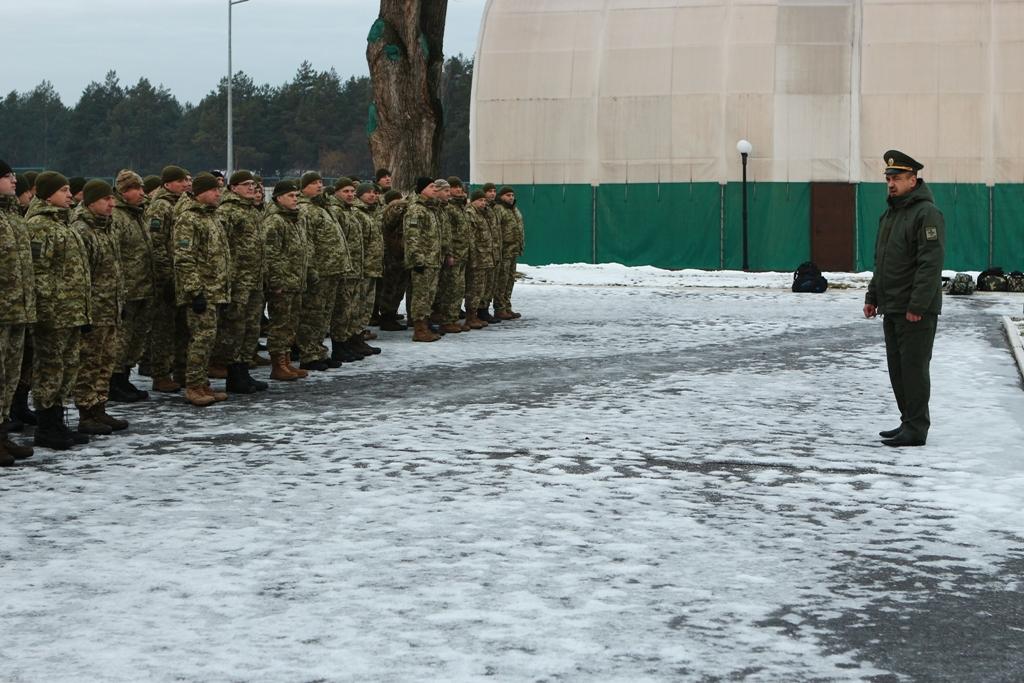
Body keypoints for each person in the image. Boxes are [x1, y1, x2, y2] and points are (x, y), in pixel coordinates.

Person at [863, 150, 945, 448]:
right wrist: (873, 295)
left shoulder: (926, 214)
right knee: (898, 370)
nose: (891, 184)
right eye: (888, 178)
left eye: (897, 178)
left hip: (915, 309)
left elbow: (930, 264)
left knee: (914, 369)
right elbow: (882, 262)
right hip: (892, 305)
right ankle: (907, 421)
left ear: (913, 180)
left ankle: (916, 428)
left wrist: (918, 305)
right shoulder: (890, 215)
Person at [25, 171, 91, 450]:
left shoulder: (62, 223)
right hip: (54, 313)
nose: (69, 194)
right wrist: (46, 313)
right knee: (50, 368)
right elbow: (39, 273)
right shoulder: (39, 226)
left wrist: (84, 311)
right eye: (63, 190)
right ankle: (46, 426)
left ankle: (58, 421)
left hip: (71, 311)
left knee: (67, 366)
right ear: (48, 194)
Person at [71, 180, 129, 435]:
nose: (112, 204)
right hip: (93, 309)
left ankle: (99, 406)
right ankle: (86, 412)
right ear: (91, 201)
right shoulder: (82, 230)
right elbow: (80, 276)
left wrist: (120, 301)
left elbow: (115, 269)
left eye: (112, 199)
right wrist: (83, 310)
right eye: (106, 199)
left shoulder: (107, 227)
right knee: (89, 362)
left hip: (110, 307)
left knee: (106, 360)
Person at [173, 173, 231, 407]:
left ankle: (202, 382)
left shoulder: (211, 216)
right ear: (200, 193)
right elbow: (184, 258)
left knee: (208, 340)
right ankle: (193, 386)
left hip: (215, 290)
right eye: (214, 190)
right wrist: (195, 291)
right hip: (201, 291)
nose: (218, 193)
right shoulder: (189, 219)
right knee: (201, 339)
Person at [211, 170, 268, 393]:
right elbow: (219, 246)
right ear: (233, 188)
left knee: (251, 328)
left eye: (253, 184)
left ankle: (244, 370)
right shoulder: (227, 211)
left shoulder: (251, 210)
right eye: (246, 184)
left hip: (254, 279)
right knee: (235, 328)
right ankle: (234, 373)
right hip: (237, 281)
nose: (251, 188)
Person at [295, 171, 352, 371]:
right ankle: (309, 354)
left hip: (333, 269)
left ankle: (318, 351)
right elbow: (307, 241)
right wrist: (311, 268)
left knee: (325, 314)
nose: (319, 185)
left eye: (320, 182)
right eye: (313, 183)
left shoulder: (322, 207)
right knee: (312, 314)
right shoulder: (305, 209)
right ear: (303, 187)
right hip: (320, 270)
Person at [0, 161, 36, 465]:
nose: (14, 180)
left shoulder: (13, 217)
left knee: (9, 377)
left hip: (16, 310)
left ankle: (2, 434)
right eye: (7, 176)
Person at [145, 165, 191, 393]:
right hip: (167, 278)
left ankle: (182, 370)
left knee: (184, 327)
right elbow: (156, 244)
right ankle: (161, 373)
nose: (186, 184)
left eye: (186, 180)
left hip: (182, 276)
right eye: (180, 181)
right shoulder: (161, 206)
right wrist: (166, 276)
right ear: (167, 184)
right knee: (164, 328)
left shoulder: (183, 203)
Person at [109, 170, 154, 402]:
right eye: (137, 189)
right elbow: (113, 255)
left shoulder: (137, 214)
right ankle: (114, 381)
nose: (142, 193)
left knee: (135, 339)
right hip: (127, 289)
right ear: (124, 191)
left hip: (143, 287)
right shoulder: (117, 216)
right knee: (121, 339)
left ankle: (125, 377)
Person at [263, 180, 311, 381]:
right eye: (290, 196)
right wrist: (275, 282)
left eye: (296, 196)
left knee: (291, 324)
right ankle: (278, 364)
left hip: (296, 280)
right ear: (278, 198)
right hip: (282, 283)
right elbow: (270, 255)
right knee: (280, 325)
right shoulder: (274, 221)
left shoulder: (295, 219)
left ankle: (287, 361)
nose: (295, 199)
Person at [404, 177, 444, 342]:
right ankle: (419, 329)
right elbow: (412, 236)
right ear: (422, 189)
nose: (435, 189)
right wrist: (417, 259)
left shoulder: (430, 209)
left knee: (429, 295)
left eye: (435, 186)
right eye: (431, 186)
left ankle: (425, 325)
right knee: (421, 296)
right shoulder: (417, 210)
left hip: (433, 260)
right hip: (423, 261)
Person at [492, 186, 525, 320]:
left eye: (512, 195)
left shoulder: (514, 209)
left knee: (510, 279)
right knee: (502, 280)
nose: (511, 197)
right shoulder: (499, 209)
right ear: (501, 197)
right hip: (504, 251)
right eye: (507, 195)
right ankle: (499, 308)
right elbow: (495, 230)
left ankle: (506, 306)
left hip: (513, 250)